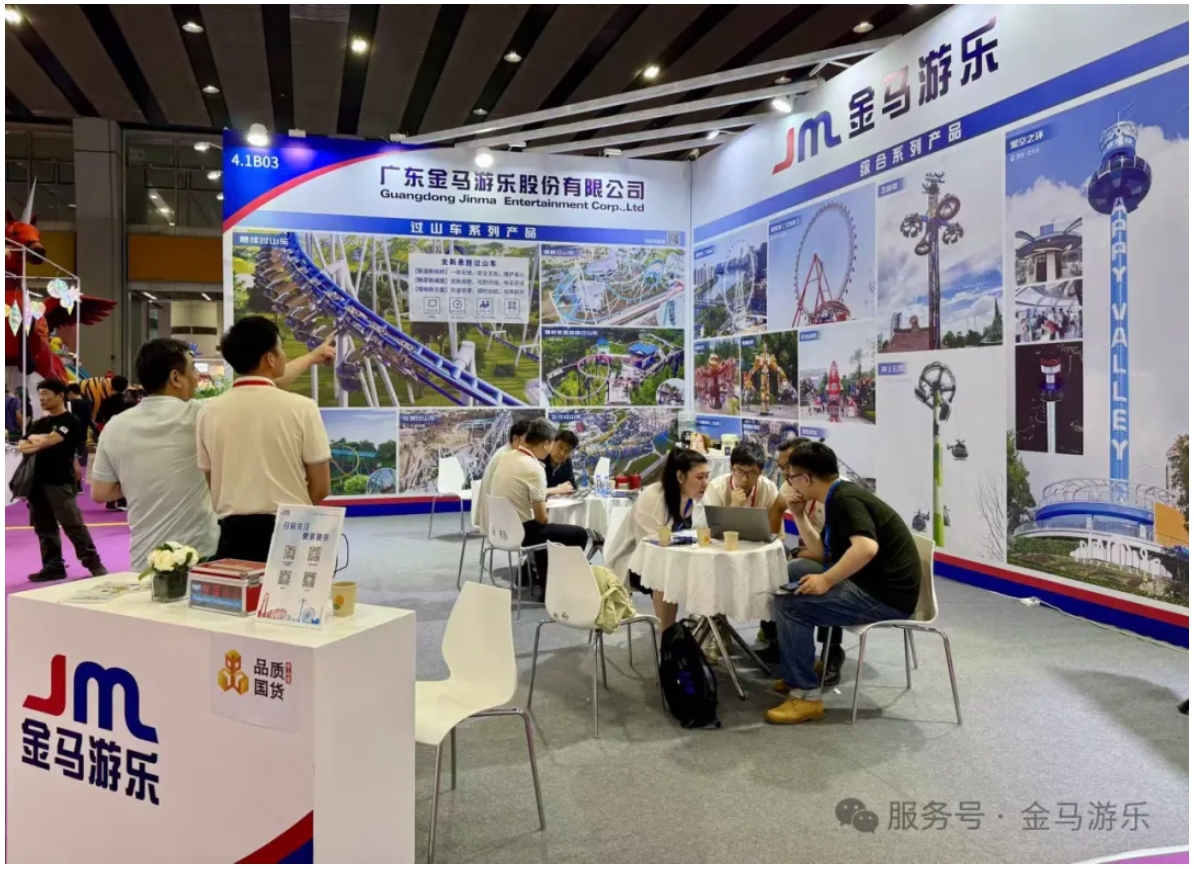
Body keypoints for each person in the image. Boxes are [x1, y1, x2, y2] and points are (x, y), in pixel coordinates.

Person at [767, 441, 921, 725]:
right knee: (795, 570)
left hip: (885, 596)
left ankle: (806, 695)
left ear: (806, 479)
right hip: (872, 584)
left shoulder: (845, 500)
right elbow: (819, 553)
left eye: (792, 477)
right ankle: (799, 667)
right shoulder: (837, 495)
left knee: (790, 606)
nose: (790, 483)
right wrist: (798, 514)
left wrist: (826, 580)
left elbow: (866, 548)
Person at [197, 316, 335, 562]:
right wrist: (294, 511)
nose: (284, 356)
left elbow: (212, 479)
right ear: (270, 359)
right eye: (281, 349)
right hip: (290, 533)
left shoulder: (208, 412)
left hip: (232, 536)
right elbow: (321, 486)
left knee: (239, 588)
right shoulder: (302, 408)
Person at [90, 339, 221, 573]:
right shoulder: (200, 415)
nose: (196, 377)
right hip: (201, 552)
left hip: (146, 556)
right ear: (175, 378)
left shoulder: (116, 425)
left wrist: (143, 478)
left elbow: (101, 492)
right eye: (193, 369)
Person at [603, 446, 709, 631]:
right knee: (666, 575)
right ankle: (668, 636)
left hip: (677, 557)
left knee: (710, 570)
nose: (705, 483)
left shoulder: (696, 498)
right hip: (636, 562)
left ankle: (710, 630)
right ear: (680, 477)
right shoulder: (653, 498)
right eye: (699, 477)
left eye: (707, 476)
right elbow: (651, 550)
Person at [488, 417, 588, 599]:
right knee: (578, 534)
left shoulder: (506, 456)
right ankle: (560, 584)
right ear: (546, 444)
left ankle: (547, 586)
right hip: (520, 532)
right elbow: (542, 518)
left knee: (546, 533)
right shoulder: (534, 468)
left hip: (498, 529)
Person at [18, 379, 106, 581]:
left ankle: (94, 564)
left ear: (60, 396)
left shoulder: (71, 421)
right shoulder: (40, 422)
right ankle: (53, 566)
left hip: (59, 481)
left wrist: (37, 440)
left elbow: (51, 440)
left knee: (73, 525)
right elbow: (22, 445)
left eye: (46, 393)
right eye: (40, 393)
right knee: (43, 527)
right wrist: (38, 441)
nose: (41, 398)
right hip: (36, 482)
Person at [475, 419, 531, 533]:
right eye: (528, 441)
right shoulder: (506, 458)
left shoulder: (505, 453)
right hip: (501, 524)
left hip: (497, 518)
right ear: (515, 439)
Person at [702, 441, 778, 511]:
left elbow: (775, 519)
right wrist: (734, 507)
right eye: (739, 471)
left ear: (760, 473)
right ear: (731, 469)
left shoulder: (769, 489)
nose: (745, 479)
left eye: (752, 473)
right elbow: (713, 521)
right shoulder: (716, 488)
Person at [65, 382, 94, 488]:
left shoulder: (72, 404)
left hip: (72, 434)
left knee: (73, 460)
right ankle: (78, 484)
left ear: (71, 392)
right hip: (83, 434)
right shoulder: (88, 403)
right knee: (78, 460)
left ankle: (75, 484)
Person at [543, 428, 578, 494]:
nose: (562, 453)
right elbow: (533, 492)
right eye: (560, 447)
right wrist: (557, 490)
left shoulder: (567, 462)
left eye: (567, 450)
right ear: (552, 443)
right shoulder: (540, 458)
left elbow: (572, 486)